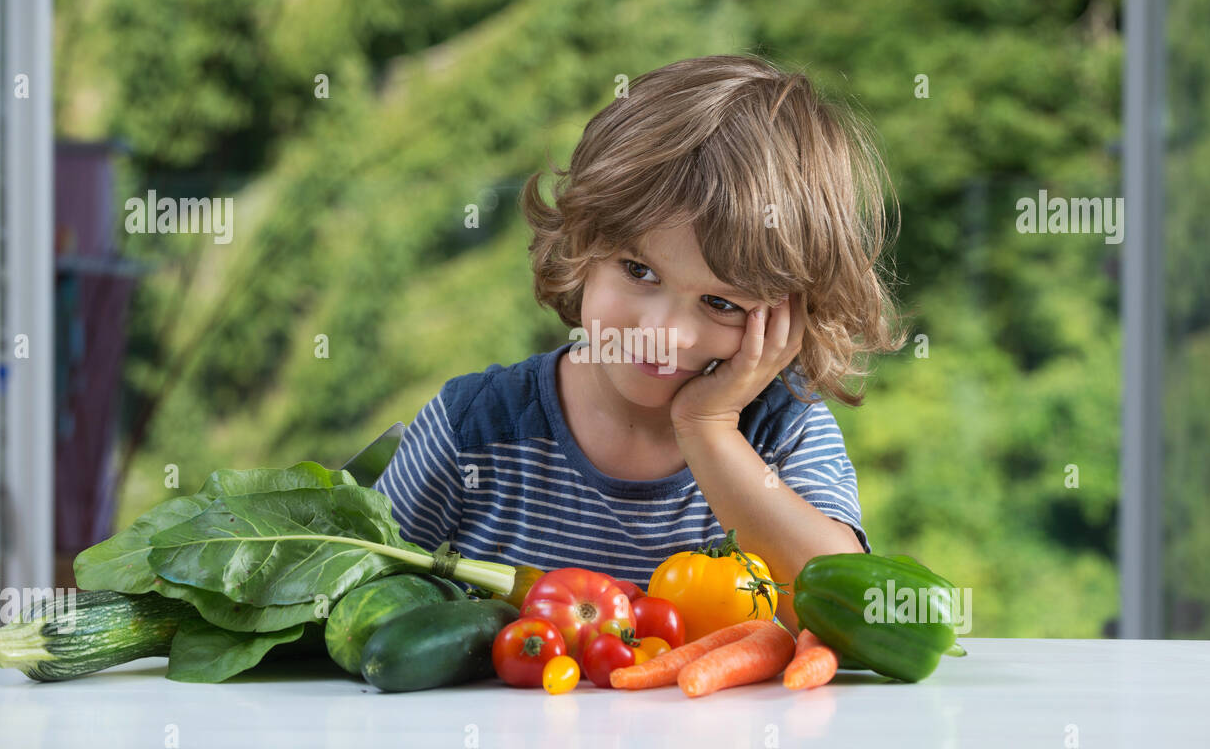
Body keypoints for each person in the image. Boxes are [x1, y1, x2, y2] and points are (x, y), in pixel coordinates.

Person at [373, 54, 909, 635]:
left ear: (790, 317)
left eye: (723, 304)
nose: (667, 333)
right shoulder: (471, 428)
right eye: (639, 271)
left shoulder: (783, 431)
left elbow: (851, 618)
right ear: (583, 242)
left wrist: (708, 428)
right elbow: (352, 603)